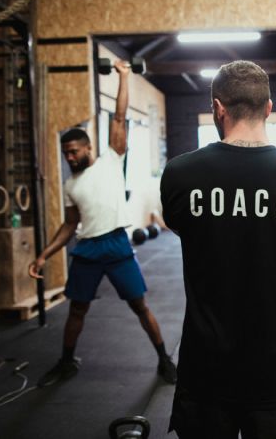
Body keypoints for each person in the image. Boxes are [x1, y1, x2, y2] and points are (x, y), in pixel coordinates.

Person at [160, 60, 276, 439]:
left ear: (218, 108)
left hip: (205, 371)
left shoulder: (179, 175)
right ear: (269, 108)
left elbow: (184, 229)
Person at [28, 60, 176, 386]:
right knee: (77, 310)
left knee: (139, 305)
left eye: (73, 151)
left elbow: (120, 116)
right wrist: (44, 255)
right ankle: (66, 362)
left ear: (88, 147)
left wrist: (124, 76)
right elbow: (69, 225)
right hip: (88, 248)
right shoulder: (71, 185)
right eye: (65, 153)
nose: (69, 158)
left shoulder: (111, 159)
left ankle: (164, 359)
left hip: (117, 244)